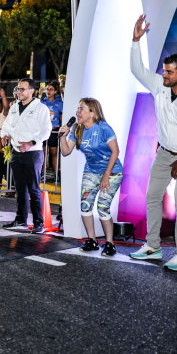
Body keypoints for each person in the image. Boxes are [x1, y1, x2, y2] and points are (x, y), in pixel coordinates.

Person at [129, 15, 177, 270]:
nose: (164, 74)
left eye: (169, 72)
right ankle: (152, 246)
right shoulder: (160, 86)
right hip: (164, 153)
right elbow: (137, 70)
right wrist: (136, 41)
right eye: (163, 70)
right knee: (152, 197)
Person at [59, 98, 122, 256]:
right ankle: (92, 240)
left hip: (112, 172)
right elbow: (66, 152)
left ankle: (109, 243)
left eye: (81, 109)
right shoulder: (77, 129)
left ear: (92, 112)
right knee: (85, 205)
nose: (77, 112)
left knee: (102, 207)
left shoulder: (104, 128)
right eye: (78, 108)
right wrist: (62, 136)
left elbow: (115, 151)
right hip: (91, 171)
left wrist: (106, 175)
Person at [0, 78, 52, 232]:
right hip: (16, 152)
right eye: (18, 88)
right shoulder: (15, 107)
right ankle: (20, 219)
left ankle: (38, 223)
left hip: (33, 153)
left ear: (32, 91)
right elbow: (7, 124)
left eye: (22, 89)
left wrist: (32, 142)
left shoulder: (41, 108)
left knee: (34, 189)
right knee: (20, 189)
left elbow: (46, 130)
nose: (19, 92)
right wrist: (4, 135)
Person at [40, 80, 64, 179]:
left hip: (54, 130)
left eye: (51, 89)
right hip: (43, 130)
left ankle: (56, 174)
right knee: (43, 153)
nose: (48, 91)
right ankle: (42, 174)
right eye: (47, 89)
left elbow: (62, 117)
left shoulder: (59, 103)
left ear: (55, 92)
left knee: (54, 153)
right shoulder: (42, 102)